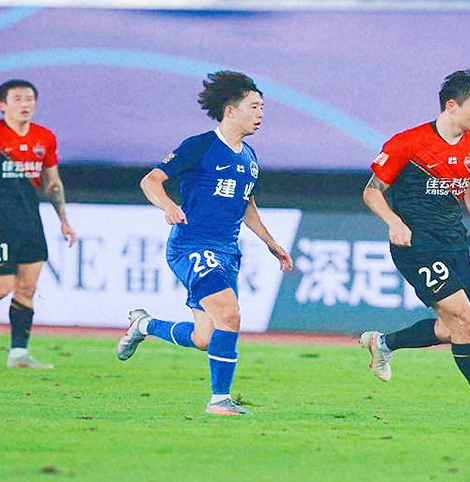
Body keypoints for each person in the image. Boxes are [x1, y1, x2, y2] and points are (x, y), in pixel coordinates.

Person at [115, 70, 293, 416]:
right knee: (229, 314)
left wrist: (270, 242)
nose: (260, 114)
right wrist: (169, 206)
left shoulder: (249, 157)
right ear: (231, 110)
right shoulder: (200, 146)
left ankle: (144, 325)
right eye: (254, 106)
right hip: (192, 246)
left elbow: (246, 204)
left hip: (227, 252)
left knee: (205, 337)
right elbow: (151, 180)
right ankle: (220, 400)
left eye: (262, 107)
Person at [360, 70, 470, 420]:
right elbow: (371, 192)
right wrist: (394, 222)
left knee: (456, 328)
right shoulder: (407, 143)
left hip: (454, 242)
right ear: (452, 105)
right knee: (465, 319)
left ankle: (383, 343)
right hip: (416, 244)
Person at [0, 79, 77, 369]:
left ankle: (18, 353)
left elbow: (52, 182)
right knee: (3, 286)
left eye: (29, 99)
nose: (25, 104)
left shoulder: (44, 137)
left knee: (27, 287)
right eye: (18, 98)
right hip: (1, 222)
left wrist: (64, 221)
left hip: (29, 220)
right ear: (3, 105)